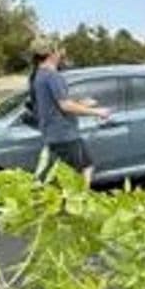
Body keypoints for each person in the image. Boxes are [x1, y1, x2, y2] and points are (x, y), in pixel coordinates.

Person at [29, 37, 111, 186]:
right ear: (52, 53)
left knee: (87, 166)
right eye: (59, 50)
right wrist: (97, 112)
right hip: (63, 135)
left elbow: (54, 104)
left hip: (63, 133)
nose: (61, 53)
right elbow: (64, 105)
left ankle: (81, 200)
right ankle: (73, 205)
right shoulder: (52, 75)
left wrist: (81, 104)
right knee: (73, 179)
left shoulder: (39, 75)